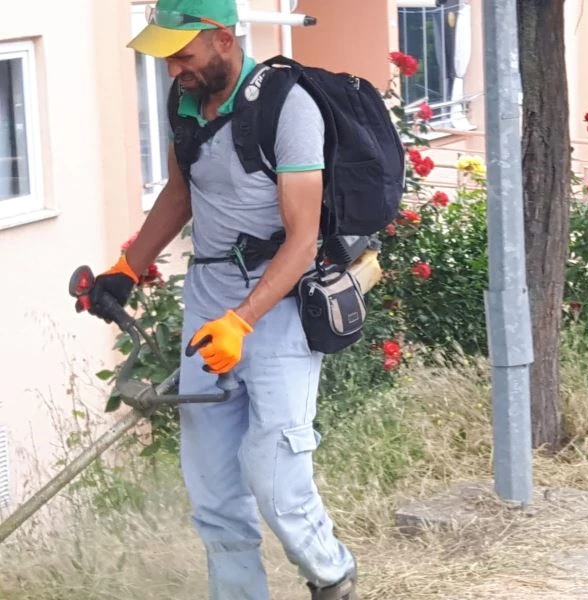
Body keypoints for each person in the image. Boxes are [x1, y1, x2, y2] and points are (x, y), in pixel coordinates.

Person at [85, 1, 357, 598]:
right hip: (209, 301)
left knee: (274, 475)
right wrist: (127, 267)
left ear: (223, 40)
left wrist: (244, 320)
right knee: (211, 488)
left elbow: (303, 239)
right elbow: (182, 192)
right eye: (164, 56)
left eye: (182, 54)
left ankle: (331, 573)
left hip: (277, 306)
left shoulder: (289, 108)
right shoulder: (185, 103)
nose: (171, 69)